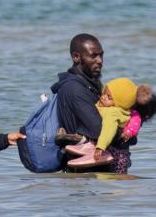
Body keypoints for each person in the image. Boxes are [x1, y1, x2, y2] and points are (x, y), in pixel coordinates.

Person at [50, 34, 136, 173]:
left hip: (95, 174)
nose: (100, 61)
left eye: (101, 55)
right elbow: (99, 130)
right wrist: (129, 134)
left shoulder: (89, 85)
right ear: (76, 57)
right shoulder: (74, 89)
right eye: (93, 56)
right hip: (86, 177)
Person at [64, 78, 156, 170]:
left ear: (120, 103)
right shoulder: (107, 106)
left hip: (116, 154)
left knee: (116, 181)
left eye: (109, 97)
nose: (103, 97)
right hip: (108, 146)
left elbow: (108, 130)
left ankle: (94, 150)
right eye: (104, 93)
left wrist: (100, 147)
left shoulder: (113, 113)